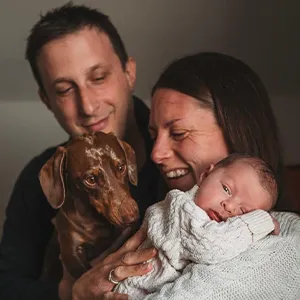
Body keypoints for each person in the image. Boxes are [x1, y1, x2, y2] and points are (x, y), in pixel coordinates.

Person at [68, 52, 300, 300]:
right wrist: (79, 293)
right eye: (154, 135)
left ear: (237, 132)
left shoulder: (283, 244)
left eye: (178, 133)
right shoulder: (161, 218)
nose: (156, 154)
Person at [0, 3, 163, 300]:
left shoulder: (176, 153)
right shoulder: (38, 180)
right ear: (46, 100)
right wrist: (69, 293)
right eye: (64, 90)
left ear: (129, 72)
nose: (88, 107)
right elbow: (7, 286)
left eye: (98, 78)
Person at [115, 154, 280, 299]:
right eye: (226, 189)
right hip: (131, 291)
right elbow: (211, 245)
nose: (229, 207)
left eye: (244, 212)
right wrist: (258, 222)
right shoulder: (182, 208)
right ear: (206, 175)